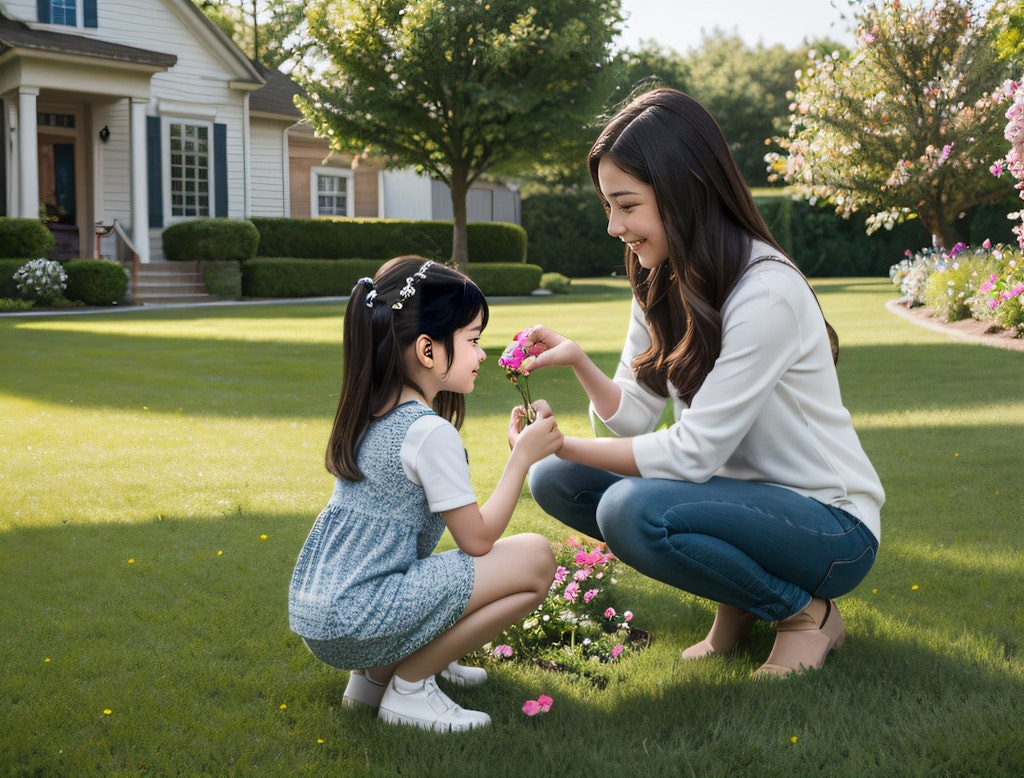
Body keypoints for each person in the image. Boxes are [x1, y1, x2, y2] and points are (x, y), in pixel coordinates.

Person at [520, 88, 884, 677]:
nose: (614, 226)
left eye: (626, 205)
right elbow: (635, 415)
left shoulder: (765, 291)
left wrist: (559, 440)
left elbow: (693, 453)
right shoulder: (660, 276)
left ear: (684, 191)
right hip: (734, 500)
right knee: (555, 479)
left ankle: (802, 614)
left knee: (629, 510)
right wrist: (582, 366)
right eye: (608, 206)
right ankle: (742, 602)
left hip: (829, 526)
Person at [289, 256, 562, 731]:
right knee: (536, 558)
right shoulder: (427, 432)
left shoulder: (371, 412)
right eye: (473, 340)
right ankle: (411, 685)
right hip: (362, 612)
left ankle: (372, 683)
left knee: (450, 570)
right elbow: (476, 541)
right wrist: (522, 460)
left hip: (325, 612)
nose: (480, 354)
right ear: (428, 350)